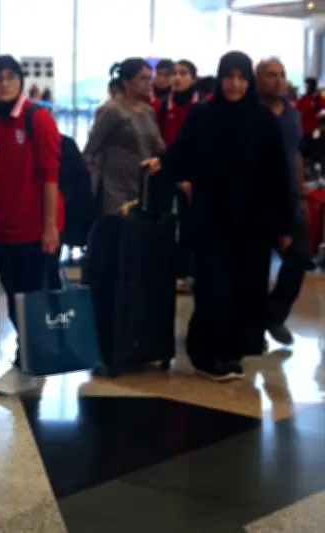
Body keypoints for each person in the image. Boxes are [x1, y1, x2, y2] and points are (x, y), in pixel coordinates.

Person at [143, 51, 295, 382]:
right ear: (220, 77)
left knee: (243, 289)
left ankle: (229, 352)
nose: (235, 84)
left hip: (252, 224)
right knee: (214, 288)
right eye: (229, 76)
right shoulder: (202, 116)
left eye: (242, 77)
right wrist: (162, 166)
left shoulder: (262, 120)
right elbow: (181, 154)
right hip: (212, 219)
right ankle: (206, 355)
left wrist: (285, 222)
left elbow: (277, 174)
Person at [0, 54, 63, 383]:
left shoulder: (38, 118)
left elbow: (50, 177)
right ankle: (28, 350)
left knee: (34, 296)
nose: (4, 83)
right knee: (14, 291)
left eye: (10, 77)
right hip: (6, 225)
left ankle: (32, 357)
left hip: (36, 227)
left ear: (20, 81)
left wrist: (49, 228)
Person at [256, 58, 308, 346]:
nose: (278, 80)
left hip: (288, 199)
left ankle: (273, 314)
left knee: (299, 255)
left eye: (282, 75)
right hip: (259, 201)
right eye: (270, 75)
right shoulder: (250, 112)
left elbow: (296, 154)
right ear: (257, 80)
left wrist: (300, 195)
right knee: (256, 264)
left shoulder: (291, 112)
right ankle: (252, 324)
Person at [85, 58, 165, 215]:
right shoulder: (111, 110)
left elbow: (158, 146)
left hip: (142, 183)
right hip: (115, 187)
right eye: (143, 78)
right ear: (127, 82)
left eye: (150, 77)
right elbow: (92, 147)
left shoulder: (148, 111)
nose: (149, 83)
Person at [156, 59, 200, 292]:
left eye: (184, 73)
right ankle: (165, 270)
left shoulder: (201, 106)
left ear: (193, 78)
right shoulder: (162, 106)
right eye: (175, 73)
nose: (178, 78)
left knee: (189, 225)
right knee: (164, 223)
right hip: (166, 172)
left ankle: (187, 271)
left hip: (192, 177)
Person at [297, 77, 325, 167]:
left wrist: (317, 116)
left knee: (316, 149)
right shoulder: (303, 98)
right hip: (303, 129)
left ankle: (317, 168)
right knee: (305, 150)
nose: (306, 87)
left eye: (307, 85)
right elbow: (297, 108)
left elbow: (324, 111)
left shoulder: (318, 98)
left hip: (315, 129)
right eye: (305, 85)